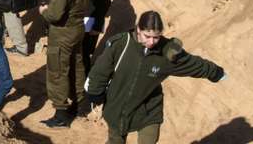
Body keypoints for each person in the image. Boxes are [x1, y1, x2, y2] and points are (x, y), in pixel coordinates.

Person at [85, 11, 226, 144]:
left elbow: (192, 64)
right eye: (147, 36)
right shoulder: (121, 44)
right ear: (138, 30)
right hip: (117, 104)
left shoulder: (167, 53)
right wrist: (95, 93)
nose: (152, 42)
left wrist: (215, 72)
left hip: (148, 109)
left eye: (156, 37)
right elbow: (100, 71)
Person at [37, 0, 93, 128]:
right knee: (77, 66)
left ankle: (61, 114)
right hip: (78, 28)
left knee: (57, 70)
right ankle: (80, 104)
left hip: (62, 31)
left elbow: (55, 14)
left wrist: (44, 10)